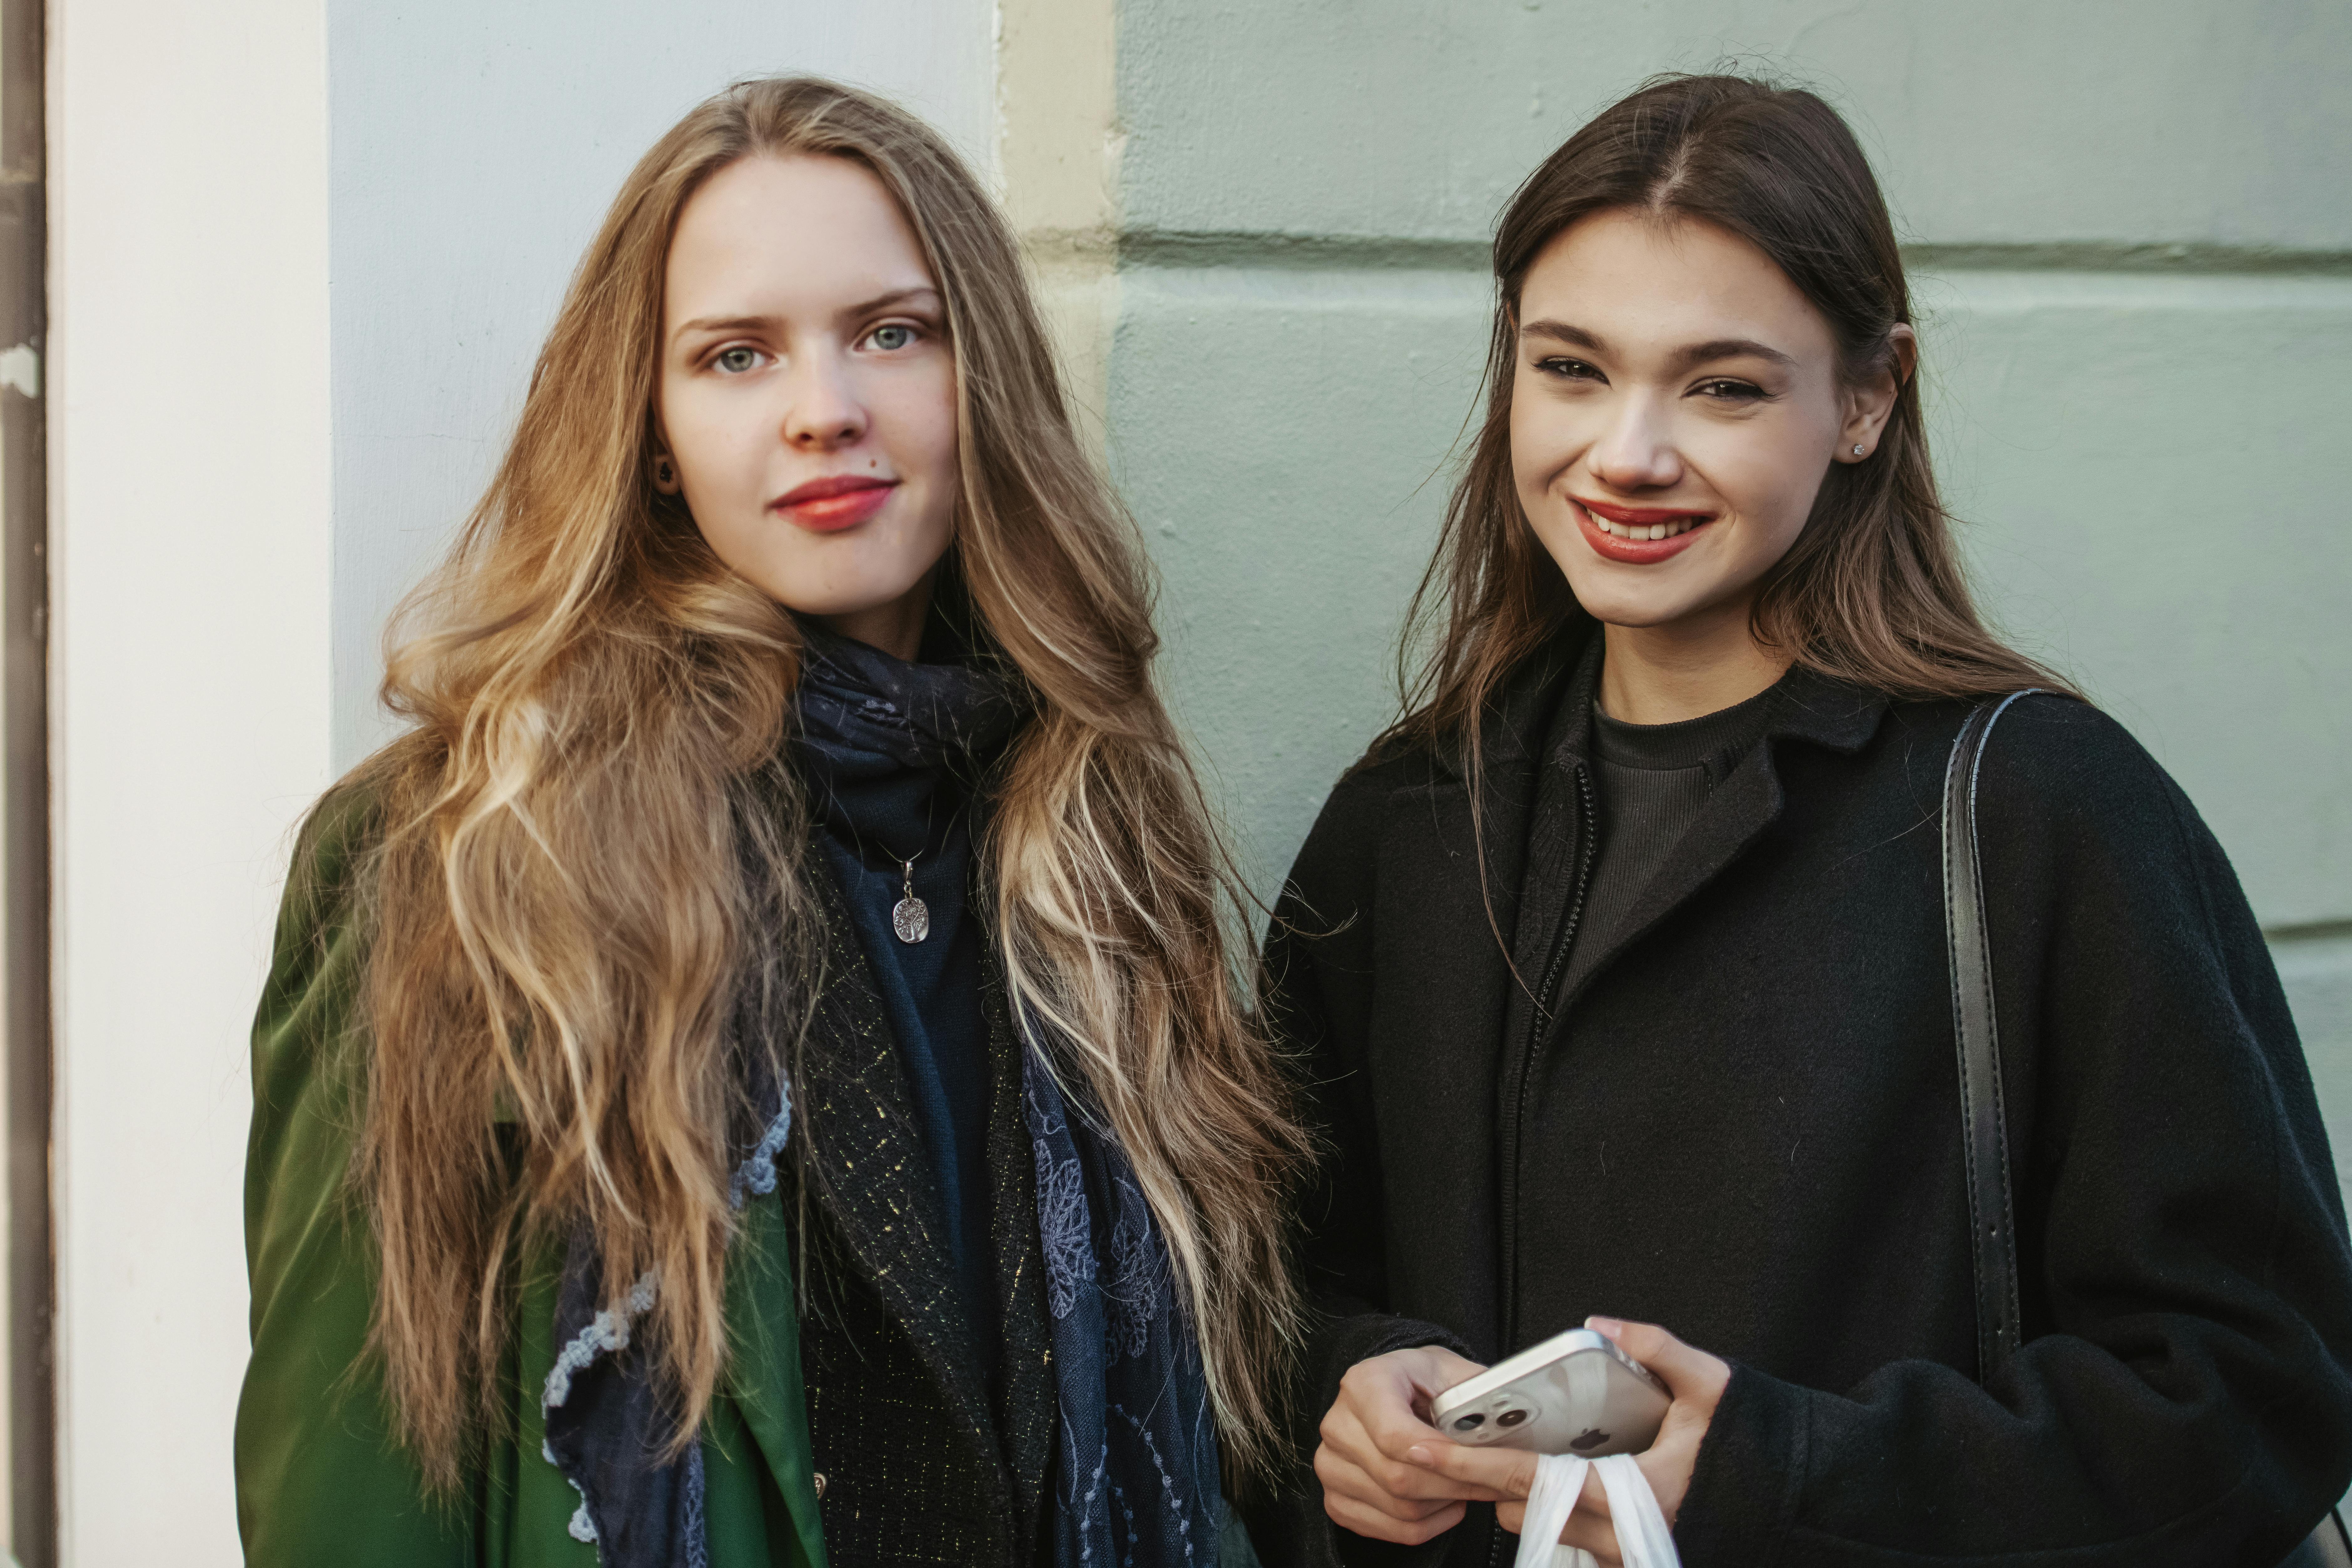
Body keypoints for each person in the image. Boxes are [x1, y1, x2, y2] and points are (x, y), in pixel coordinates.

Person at [1253, 74, 2352, 1567]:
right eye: (1570, 368)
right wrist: (1351, 1393)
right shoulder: (1407, 819)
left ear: (1868, 398)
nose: (1627, 453)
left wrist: (1787, 1470)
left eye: (1722, 387)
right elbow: (1266, 1295)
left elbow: (2250, 1396)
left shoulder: (2043, 811)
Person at [235, 76, 1304, 1568]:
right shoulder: (462, 857)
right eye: (736, 355)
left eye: (893, 333)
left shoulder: (1091, 831)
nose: (825, 409)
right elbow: (356, 1486)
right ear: (654, 433)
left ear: (983, 379)